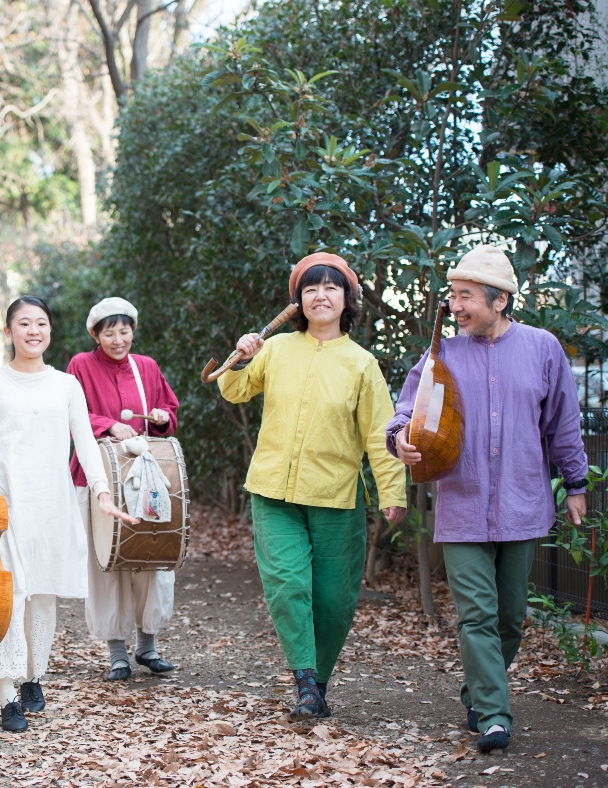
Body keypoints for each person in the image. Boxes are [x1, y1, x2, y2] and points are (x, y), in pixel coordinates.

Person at [388, 245, 587, 753]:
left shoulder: (543, 349)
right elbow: (401, 414)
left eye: (466, 296)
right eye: (453, 296)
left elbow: (564, 423)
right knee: (475, 615)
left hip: (523, 504)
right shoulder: (442, 355)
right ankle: (495, 715)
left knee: (510, 618)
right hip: (461, 505)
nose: (455, 306)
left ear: (500, 301)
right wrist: (400, 441)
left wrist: (577, 485)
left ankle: (478, 690)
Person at [216, 252, 407, 721]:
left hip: (336, 497)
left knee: (334, 600)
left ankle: (319, 683)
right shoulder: (276, 348)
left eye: (331, 287)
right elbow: (232, 389)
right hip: (272, 492)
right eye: (310, 289)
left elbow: (380, 435)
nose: (320, 295)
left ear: (348, 299)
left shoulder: (362, 364)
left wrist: (393, 492)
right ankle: (304, 682)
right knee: (287, 587)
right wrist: (240, 358)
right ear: (298, 301)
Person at [0, 296, 136, 733]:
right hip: (0, 507)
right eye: (24, 324)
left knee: (41, 597)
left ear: (50, 331)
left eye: (41, 323)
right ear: (9, 332)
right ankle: (6, 695)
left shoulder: (65, 385)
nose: (33, 330)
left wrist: (101, 491)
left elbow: (86, 443)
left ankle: (34, 676)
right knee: (6, 598)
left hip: (50, 503)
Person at [65, 297, 181, 681]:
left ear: (133, 330)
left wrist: (163, 418)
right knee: (108, 560)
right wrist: (108, 424)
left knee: (153, 552)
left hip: (144, 473)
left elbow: (169, 412)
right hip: (96, 473)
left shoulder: (145, 366)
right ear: (95, 335)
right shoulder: (80, 365)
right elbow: (71, 413)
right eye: (109, 332)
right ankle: (117, 653)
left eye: (124, 330)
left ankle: (148, 647)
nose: (118, 339)